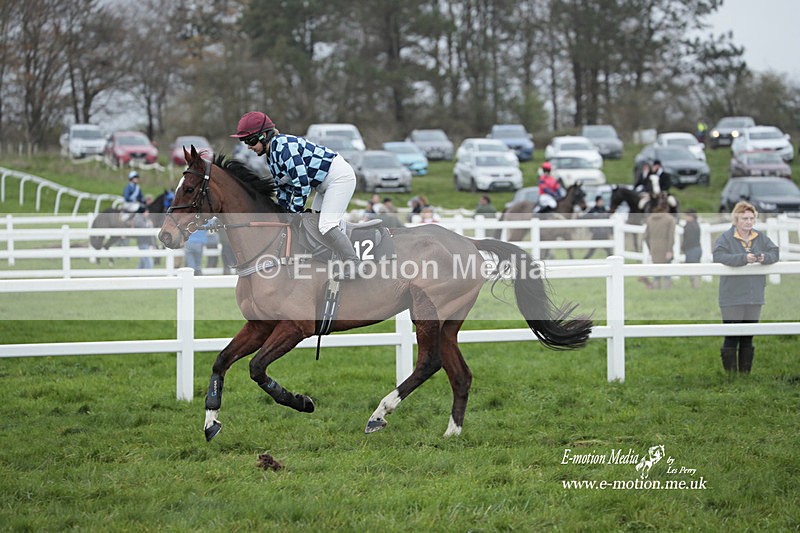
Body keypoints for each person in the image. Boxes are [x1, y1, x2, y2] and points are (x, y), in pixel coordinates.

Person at [230, 111, 361, 280]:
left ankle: (354, 263)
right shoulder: (271, 155)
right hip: (323, 184)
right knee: (312, 225)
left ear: (263, 136)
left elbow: (302, 183)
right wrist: (284, 214)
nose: (248, 146)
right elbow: (283, 188)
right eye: (244, 141)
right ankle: (330, 263)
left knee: (326, 225)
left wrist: (294, 212)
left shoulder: (283, 147)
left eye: (250, 140)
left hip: (339, 178)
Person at [712, 201, 779, 374]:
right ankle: (731, 376)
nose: (748, 222)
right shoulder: (726, 238)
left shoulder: (760, 237)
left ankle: (744, 376)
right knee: (732, 336)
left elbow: (775, 252)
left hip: (754, 295)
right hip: (731, 296)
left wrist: (765, 257)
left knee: (748, 336)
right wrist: (743, 259)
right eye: (744, 218)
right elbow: (718, 256)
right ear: (736, 220)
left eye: (751, 218)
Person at [642, 202, 676, 289]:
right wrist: (669, 250)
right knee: (667, 271)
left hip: (654, 248)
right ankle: (666, 290)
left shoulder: (650, 219)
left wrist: (650, 248)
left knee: (656, 271)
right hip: (665, 248)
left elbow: (645, 237)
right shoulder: (669, 219)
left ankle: (655, 289)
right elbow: (671, 236)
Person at [682, 209, 702, 288]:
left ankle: (695, 286)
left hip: (691, 249)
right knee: (694, 269)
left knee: (693, 270)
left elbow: (688, 239)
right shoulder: (695, 224)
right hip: (696, 248)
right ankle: (695, 286)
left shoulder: (690, 226)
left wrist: (683, 247)